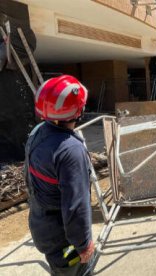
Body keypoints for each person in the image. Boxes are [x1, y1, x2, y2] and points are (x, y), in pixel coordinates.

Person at [24, 75, 94, 275]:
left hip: (42, 228)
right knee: (75, 269)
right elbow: (75, 206)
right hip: (65, 242)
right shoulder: (70, 150)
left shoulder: (37, 132)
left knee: (59, 268)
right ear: (78, 111)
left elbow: (28, 178)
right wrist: (83, 245)